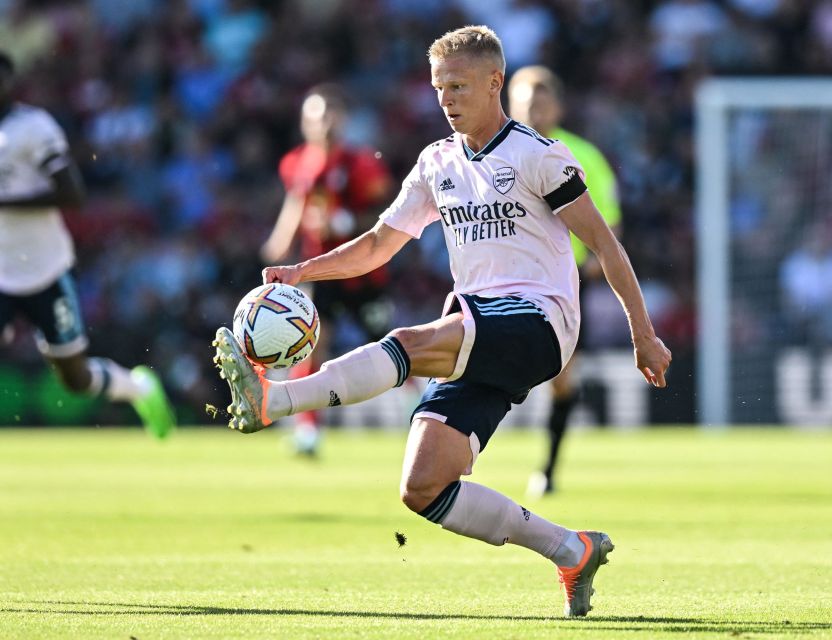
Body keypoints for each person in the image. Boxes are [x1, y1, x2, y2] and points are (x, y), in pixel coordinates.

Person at [213, 26, 671, 617]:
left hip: (540, 321)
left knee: (408, 339)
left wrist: (644, 333)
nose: (446, 99)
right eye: (438, 88)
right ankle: (570, 548)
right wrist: (306, 270)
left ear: (494, 83)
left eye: (458, 85)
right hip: (479, 325)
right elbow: (380, 243)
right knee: (424, 487)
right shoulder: (438, 162)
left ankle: (273, 401)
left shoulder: (539, 155)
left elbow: (608, 248)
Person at [0, 51, 175, 438]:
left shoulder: (33, 127)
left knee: (74, 378)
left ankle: (138, 387)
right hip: (1, 273)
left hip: (44, 269)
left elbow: (72, 194)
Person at [507, 65, 624, 498]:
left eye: (540, 100)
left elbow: (609, 228)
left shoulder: (584, 156)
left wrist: (589, 266)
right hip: (508, 281)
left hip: (563, 287)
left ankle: (549, 468)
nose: (532, 109)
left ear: (557, 105)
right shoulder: (497, 153)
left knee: (561, 378)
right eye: (524, 101)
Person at [260, 84, 393, 456]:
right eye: (318, 116)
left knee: (393, 343)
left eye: (332, 114)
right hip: (320, 272)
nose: (326, 123)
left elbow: (389, 214)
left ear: (345, 119)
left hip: (364, 272)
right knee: (311, 348)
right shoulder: (297, 162)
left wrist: (348, 220)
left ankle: (428, 411)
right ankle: (309, 431)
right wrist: (280, 242)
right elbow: (297, 203)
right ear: (306, 123)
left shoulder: (362, 163)